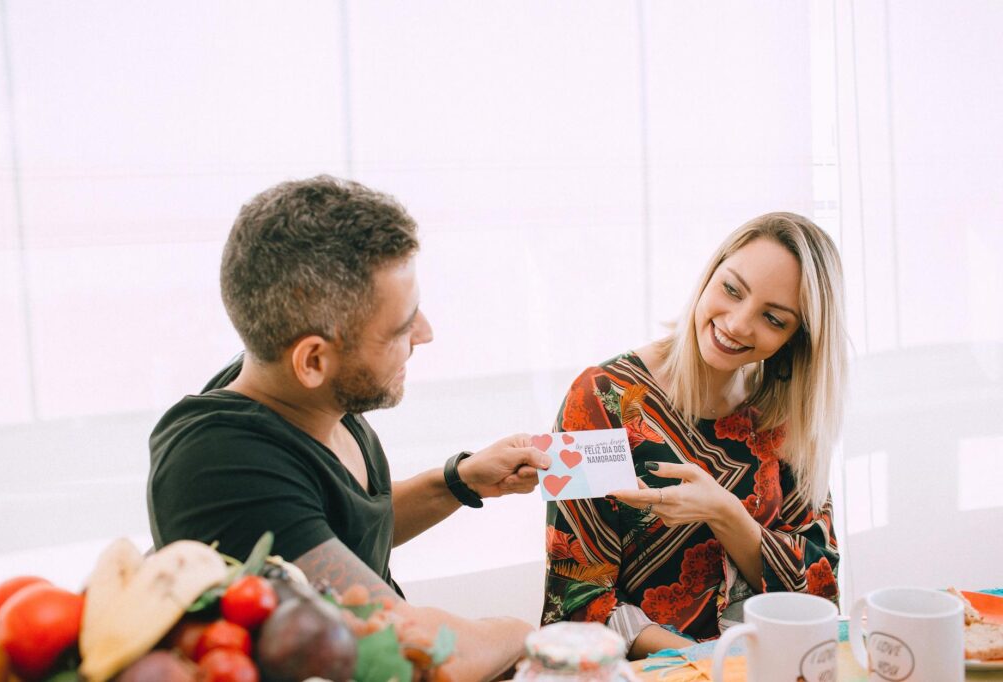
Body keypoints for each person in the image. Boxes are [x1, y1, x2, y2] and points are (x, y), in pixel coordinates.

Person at [148, 175, 550, 680]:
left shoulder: (307, 393)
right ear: (313, 359)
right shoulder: (219, 467)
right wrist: (523, 633)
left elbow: (331, 535)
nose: (425, 333)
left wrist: (458, 481)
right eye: (402, 327)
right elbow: (416, 653)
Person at [540, 213, 846, 659]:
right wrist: (712, 662)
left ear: (796, 341)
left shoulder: (784, 418)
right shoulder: (598, 399)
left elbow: (820, 592)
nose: (739, 324)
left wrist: (728, 516)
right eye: (732, 289)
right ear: (709, 275)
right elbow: (573, 600)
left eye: (774, 319)